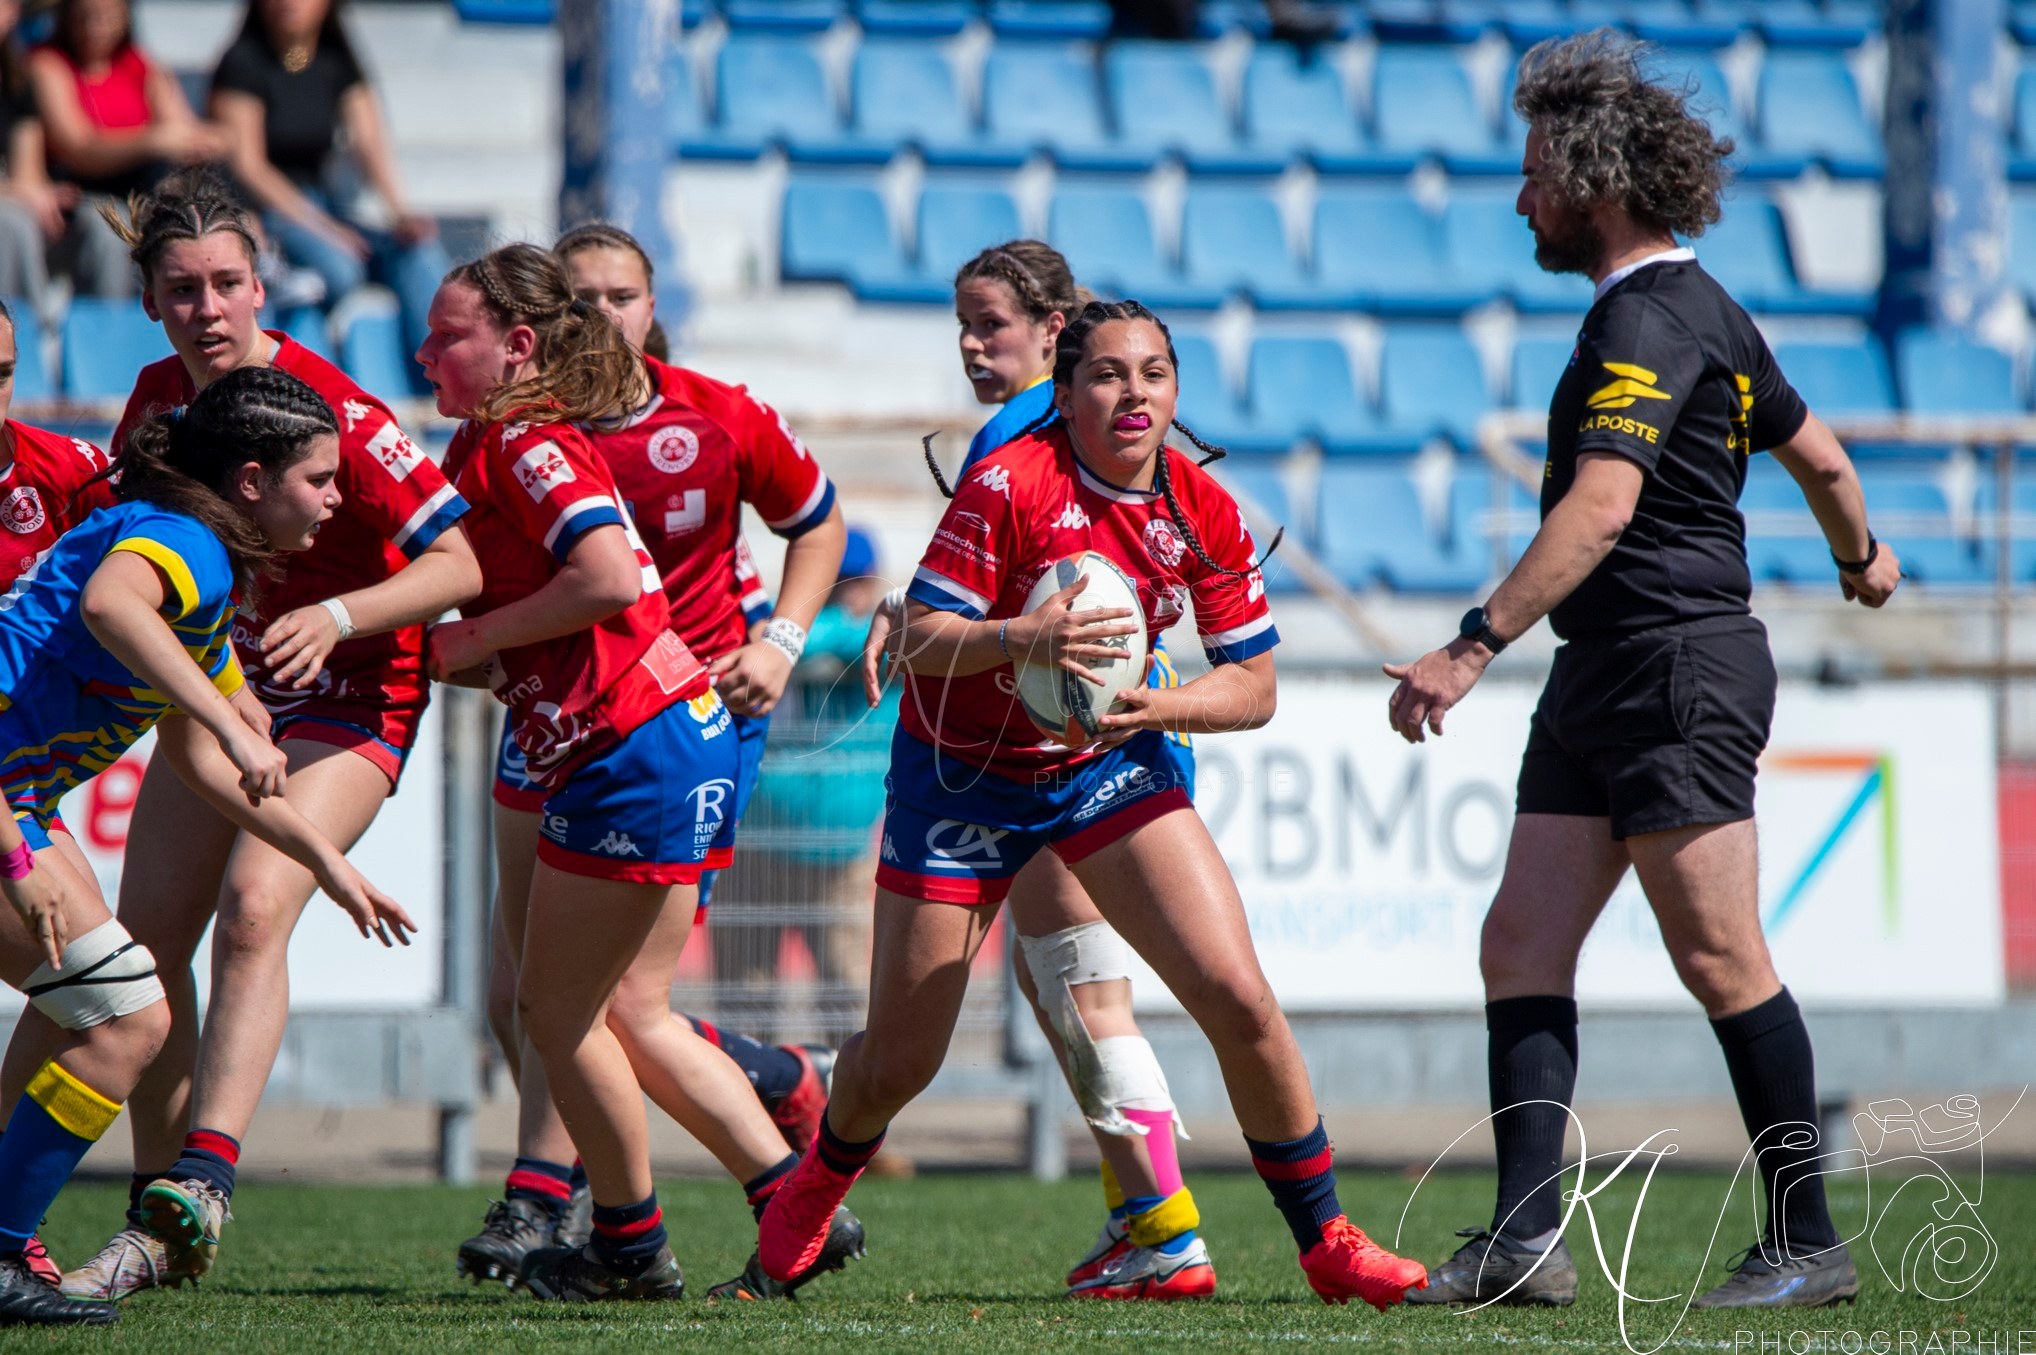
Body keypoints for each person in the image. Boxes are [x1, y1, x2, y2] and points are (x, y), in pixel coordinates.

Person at [760, 299, 1429, 1311]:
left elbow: (1253, 686)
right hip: (962, 777)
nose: (1132, 393)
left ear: (1176, 389)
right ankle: (807, 1197)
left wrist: (1166, 707)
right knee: (898, 1059)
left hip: (1103, 767)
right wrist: (1020, 638)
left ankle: (1326, 1238)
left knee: (1237, 995)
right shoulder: (1008, 481)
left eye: (1153, 372)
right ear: (1064, 394)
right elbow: (919, 637)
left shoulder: (1200, 506)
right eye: (1107, 374)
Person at [1383, 31, 1903, 1311]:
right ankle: (1522, 1238)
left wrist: (1469, 642)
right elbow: (1821, 458)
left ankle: (1806, 1238)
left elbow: (1602, 506)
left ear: (1591, 180)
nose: (1520, 199)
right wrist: (1862, 556)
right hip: (1605, 669)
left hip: (1673, 665)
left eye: (1532, 174)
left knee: (1719, 954)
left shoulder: (1644, 317)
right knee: (1519, 939)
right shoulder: (1707, 309)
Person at [33, 167, 479, 1304]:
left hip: (351, 693)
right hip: (222, 693)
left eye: (228, 282)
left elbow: (459, 563)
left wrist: (337, 616)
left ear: (262, 283)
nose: (209, 309)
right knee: (144, 947)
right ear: (148, 301)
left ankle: (208, 1177)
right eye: (183, 289)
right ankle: (156, 1218)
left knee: (254, 905)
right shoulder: (154, 404)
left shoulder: (334, 407)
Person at [418, 243, 864, 1303]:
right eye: (585, 296)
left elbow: (613, 579)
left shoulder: (537, 437)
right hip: (621, 728)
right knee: (601, 1004)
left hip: (636, 732)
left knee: (566, 1006)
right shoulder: (510, 436)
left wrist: (449, 638)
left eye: (446, 335)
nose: (425, 352)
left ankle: (615, 1232)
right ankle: (785, 1193)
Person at [0, 363, 412, 1326]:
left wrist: (326, 860)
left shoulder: (197, 575)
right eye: (321, 478)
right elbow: (112, 607)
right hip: (10, 809)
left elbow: (203, 761)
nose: (337, 498)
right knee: (129, 1019)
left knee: (111, 1011)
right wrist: (231, 721)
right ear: (254, 481)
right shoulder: (183, 541)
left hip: (16, 803)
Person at [866, 240, 1215, 1299]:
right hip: (1095, 725)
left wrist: (922, 624)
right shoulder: (1049, 427)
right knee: (1063, 979)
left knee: (1078, 980)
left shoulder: (1029, 431)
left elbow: (1019, 598)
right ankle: (1143, 1217)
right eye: (962, 326)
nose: (973, 346)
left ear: (1052, 329)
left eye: (993, 324)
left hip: (1062, 743)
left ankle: (1168, 1229)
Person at [210, 0, 448, 354]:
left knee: (419, 252)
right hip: (271, 213)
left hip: (325, 207)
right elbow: (249, 167)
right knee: (342, 270)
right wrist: (325, 228)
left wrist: (400, 215)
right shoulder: (243, 62)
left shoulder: (335, 59)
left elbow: (370, 143)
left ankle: (442, 366)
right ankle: (282, 282)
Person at [26, 0, 228, 297]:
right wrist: (153, 140)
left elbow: (183, 130)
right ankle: (112, 317)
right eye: (84, 17)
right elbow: (77, 149)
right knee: (111, 227)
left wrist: (208, 140)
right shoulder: (48, 64)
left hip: (144, 188)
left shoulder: (140, 63)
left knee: (196, 214)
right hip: (79, 194)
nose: (94, 27)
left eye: (106, 17)